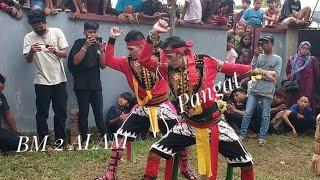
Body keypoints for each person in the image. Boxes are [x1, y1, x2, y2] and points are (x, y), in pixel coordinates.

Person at [138, 19, 277, 180]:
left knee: (246, 162)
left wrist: (263, 72)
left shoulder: (205, 61)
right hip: (188, 125)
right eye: (166, 57)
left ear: (182, 53)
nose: (167, 61)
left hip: (214, 124)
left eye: (170, 57)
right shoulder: (165, 68)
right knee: (155, 151)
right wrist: (154, 33)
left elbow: (232, 68)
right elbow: (143, 61)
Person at [96, 28, 195, 180]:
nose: (129, 52)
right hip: (142, 107)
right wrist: (112, 39)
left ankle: (185, 168)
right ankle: (111, 172)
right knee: (120, 137)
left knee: (179, 137)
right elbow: (108, 61)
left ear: (142, 47)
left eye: (131, 49)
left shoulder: (159, 59)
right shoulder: (126, 63)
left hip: (162, 105)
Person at [23, 9, 69, 149]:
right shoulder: (29, 37)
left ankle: (60, 142)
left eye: (40, 26)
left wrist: (53, 50)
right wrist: (32, 50)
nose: (38, 29)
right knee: (42, 114)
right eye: (35, 27)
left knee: (60, 112)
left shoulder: (57, 32)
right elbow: (28, 60)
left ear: (44, 22)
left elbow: (65, 53)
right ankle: (44, 144)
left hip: (59, 79)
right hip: (41, 81)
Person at [68, 21, 107, 143]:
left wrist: (102, 51)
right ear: (84, 32)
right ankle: (84, 140)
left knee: (99, 113)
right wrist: (85, 46)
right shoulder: (79, 43)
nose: (92, 35)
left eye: (94, 32)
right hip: (82, 85)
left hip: (96, 85)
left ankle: (106, 138)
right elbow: (75, 61)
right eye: (90, 32)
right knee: (83, 114)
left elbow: (103, 66)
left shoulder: (97, 45)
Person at [240, 34, 282, 146]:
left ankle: (262, 137)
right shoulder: (258, 56)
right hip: (255, 89)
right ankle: (242, 134)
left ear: (272, 44)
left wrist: (261, 73)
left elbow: (274, 77)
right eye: (263, 43)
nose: (264, 45)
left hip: (267, 91)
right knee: (248, 112)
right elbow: (252, 70)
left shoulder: (277, 59)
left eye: (267, 43)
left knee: (265, 115)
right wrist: (255, 56)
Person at [285, 41, 320, 115]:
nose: (305, 50)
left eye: (307, 48)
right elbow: (288, 71)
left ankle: (305, 123)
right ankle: (290, 120)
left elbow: (317, 74)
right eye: (303, 48)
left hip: (307, 87)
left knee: (305, 104)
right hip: (294, 86)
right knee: (292, 103)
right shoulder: (292, 59)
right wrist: (291, 78)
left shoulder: (312, 60)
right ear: (299, 48)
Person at [0, 73, 21, 153]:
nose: (1, 91)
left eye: (2, 89)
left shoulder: (1, 97)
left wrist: (15, 133)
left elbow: (8, 115)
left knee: (20, 141)